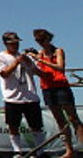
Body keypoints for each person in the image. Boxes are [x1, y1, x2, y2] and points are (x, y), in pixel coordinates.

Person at [32, 28, 83, 156]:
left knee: (73, 118)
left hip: (61, 87)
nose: (41, 43)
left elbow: (60, 67)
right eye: (38, 41)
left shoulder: (57, 51)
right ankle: (69, 150)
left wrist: (41, 60)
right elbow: (41, 73)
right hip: (47, 88)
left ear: (48, 38)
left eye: (42, 40)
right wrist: (31, 64)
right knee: (60, 120)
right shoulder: (40, 53)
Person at [0, 31, 44, 155]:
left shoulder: (27, 57)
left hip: (30, 96)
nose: (15, 46)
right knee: (13, 126)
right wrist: (17, 61)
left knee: (36, 126)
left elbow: (40, 73)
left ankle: (40, 151)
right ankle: (17, 151)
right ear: (5, 44)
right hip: (12, 97)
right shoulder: (0, 57)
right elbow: (4, 74)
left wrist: (29, 61)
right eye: (12, 43)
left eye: (16, 43)